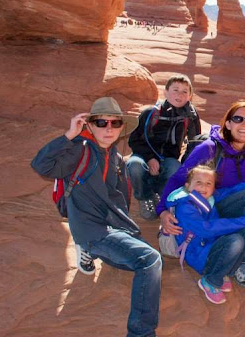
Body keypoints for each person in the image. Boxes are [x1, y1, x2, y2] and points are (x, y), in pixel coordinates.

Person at [31, 97, 162, 337]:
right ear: (89, 125)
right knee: (150, 260)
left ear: (122, 127)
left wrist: (128, 229)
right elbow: (42, 165)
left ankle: (92, 251)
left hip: (112, 228)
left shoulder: (115, 156)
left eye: (115, 123)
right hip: (92, 230)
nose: (109, 128)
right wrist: (69, 135)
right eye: (101, 122)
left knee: (144, 260)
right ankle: (141, 333)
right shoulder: (79, 149)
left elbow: (118, 197)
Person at [157, 100, 245, 287]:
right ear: (228, 124)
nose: (244, 124)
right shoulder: (209, 148)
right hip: (209, 208)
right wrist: (162, 211)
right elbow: (179, 179)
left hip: (232, 204)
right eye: (238, 119)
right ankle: (241, 261)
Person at [165, 165, 245, 304]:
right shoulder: (185, 207)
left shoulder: (208, 199)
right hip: (197, 254)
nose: (203, 187)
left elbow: (231, 190)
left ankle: (223, 271)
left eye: (208, 183)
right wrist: (243, 221)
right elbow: (206, 229)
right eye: (198, 183)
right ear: (187, 186)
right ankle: (210, 280)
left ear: (213, 188)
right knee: (236, 240)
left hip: (210, 246)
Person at [127, 74, 201, 221]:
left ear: (190, 96)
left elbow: (194, 143)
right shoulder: (150, 113)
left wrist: (186, 165)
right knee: (134, 165)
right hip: (144, 155)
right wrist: (149, 158)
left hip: (168, 158)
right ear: (165, 92)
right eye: (175, 90)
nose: (179, 95)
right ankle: (145, 197)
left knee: (175, 168)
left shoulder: (190, 116)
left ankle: (162, 195)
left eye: (184, 91)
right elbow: (134, 140)